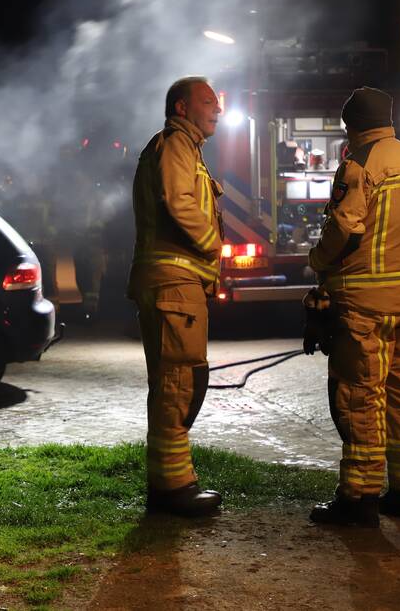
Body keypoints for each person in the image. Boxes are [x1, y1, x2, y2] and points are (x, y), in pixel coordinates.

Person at [307, 87, 400, 527]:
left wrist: (318, 261)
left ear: (352, 126)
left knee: (360, 395)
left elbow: (345, 226)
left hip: (364, 303)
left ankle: (359, 498)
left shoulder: (360, 162)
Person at [126, 76, 224, 517]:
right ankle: (172, 491)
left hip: (173, 283)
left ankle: (174, 483)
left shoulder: (184, 147)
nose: (218, 109)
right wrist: (213, 245)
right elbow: (177, 201)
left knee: (176, 382)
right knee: (177, 383)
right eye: (208, 101)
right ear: (181, 108)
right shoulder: (175, 145)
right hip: (173, 284)